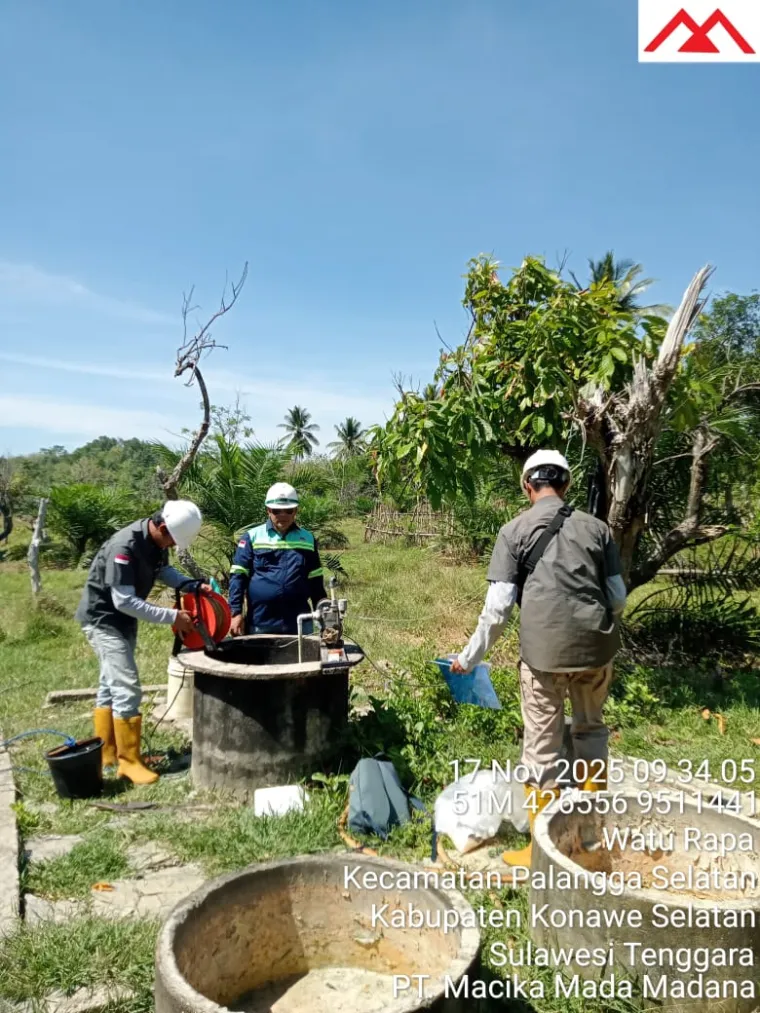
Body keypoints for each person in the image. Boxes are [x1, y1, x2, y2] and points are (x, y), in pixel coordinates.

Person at [450, 449, 627, 868]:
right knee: (591, 733)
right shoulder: (598, 529)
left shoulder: (514, 531)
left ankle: (540, 850)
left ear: (527, 486)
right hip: (597, 653)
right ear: (565, 485)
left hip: (543, 659)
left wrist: (469, 657)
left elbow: (498, 609)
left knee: (542, 751)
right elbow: (617, 597)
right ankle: (589, 835)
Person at [75, 500, 205, 785]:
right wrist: (172, 616)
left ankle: (107, 753)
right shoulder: (124, 547)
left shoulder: (156, 543)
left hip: (121, 620)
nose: (170, 547)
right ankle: (129, 763)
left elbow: (162, 571)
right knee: (126, 686)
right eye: (170, 540)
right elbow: (124, 602)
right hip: (104, 620)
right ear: (161, 527)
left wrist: (188, 584)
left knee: (109, 684)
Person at [228, 482, 327, 636]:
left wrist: (325, 619)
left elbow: (316, 582)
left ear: (296, 511)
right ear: (268, 510)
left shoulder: (307, 539)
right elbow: (238, 577)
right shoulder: (251, 538)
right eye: (276, 510)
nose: (282, 515)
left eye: (288, 510)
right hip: (260, 623)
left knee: (304, 660)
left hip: (300, 623)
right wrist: (235, 613)